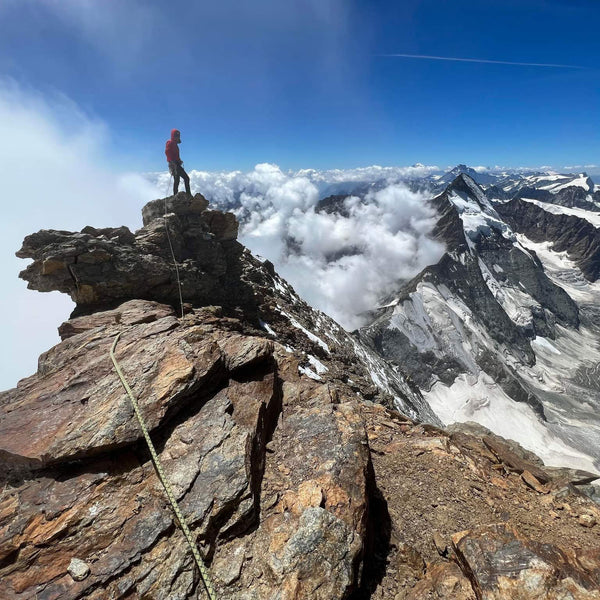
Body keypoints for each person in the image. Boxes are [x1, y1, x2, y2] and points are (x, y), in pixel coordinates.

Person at [165, 129, 191, 196]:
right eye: (176, 135)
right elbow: (167, 152)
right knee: (185, 178)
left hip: (175, 163)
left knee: (177, 180)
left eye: (178, 136)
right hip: (174, 164)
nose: (177, 137)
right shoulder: (170, 143)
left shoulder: (174, 144)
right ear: (173, 136)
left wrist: (179, 160)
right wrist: (172, 161)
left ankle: (175, 196)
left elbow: (175, 155)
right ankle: (187, 194)